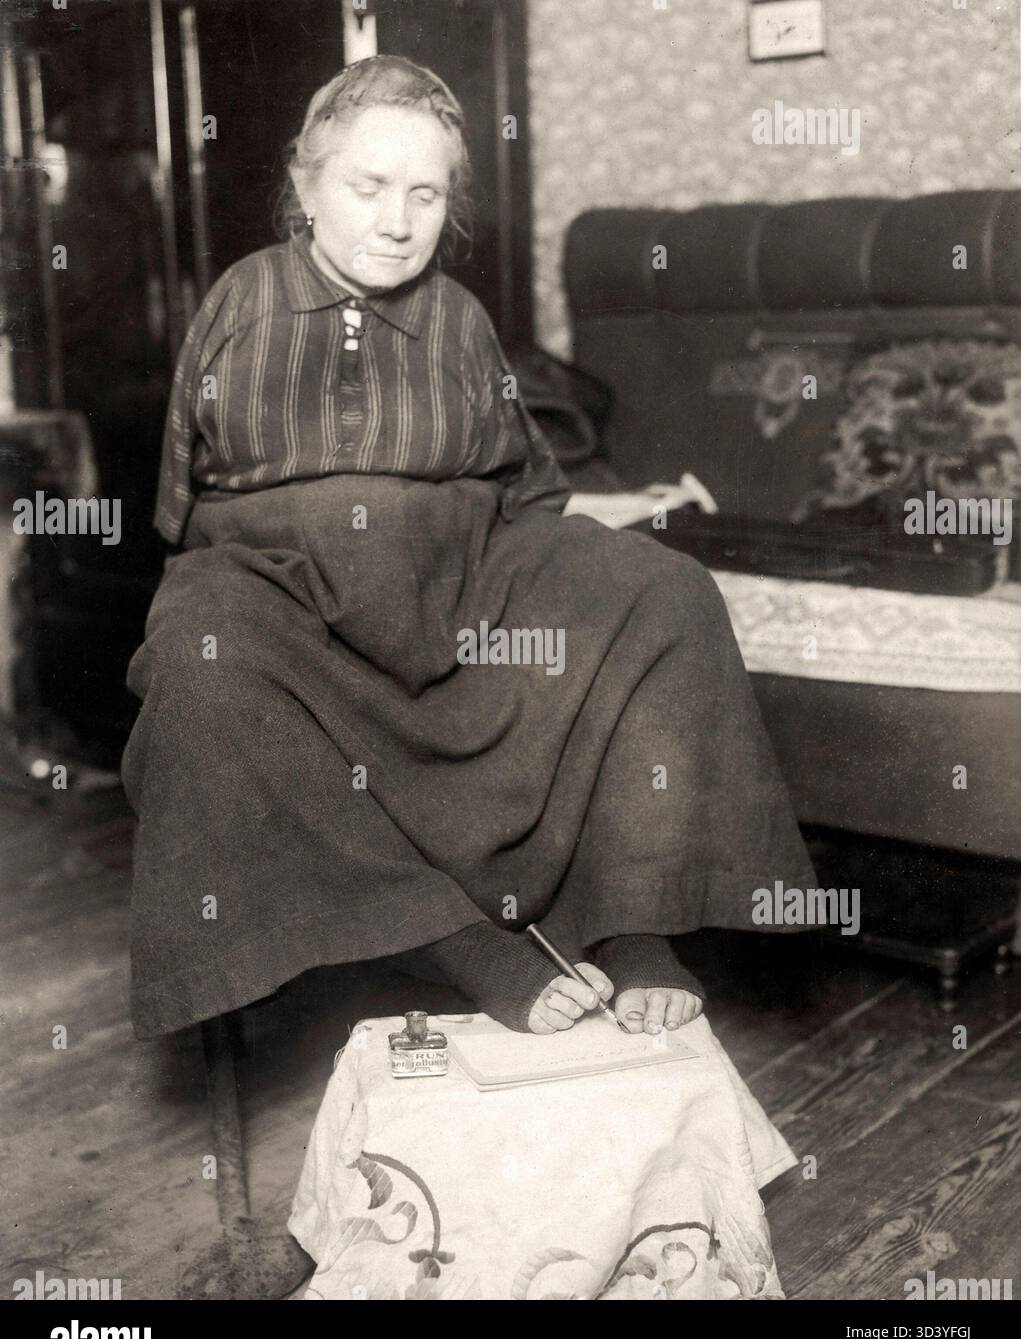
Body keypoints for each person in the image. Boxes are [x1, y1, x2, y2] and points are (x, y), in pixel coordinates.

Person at [123, 56, 815, 1042]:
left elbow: (528, 486)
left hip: (458, 595)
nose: (396, 221)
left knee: (659, 591)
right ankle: (454, 939)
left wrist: (552, 564)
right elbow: (178, 502)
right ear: (305, 185)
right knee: (204, 664)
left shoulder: (458, 317)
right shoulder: (241, 302)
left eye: (425, 194)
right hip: (285, 597)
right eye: (368, 186)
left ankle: (634, 921)